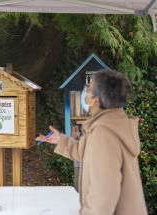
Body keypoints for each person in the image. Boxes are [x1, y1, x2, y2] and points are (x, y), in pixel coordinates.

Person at [36, 70, 148, 215]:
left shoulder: (104, 133)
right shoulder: (113, 124)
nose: (85, 93)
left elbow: (103, 194)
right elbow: (85, 152)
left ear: (96, 99)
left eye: (88, 90)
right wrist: (61, 140)